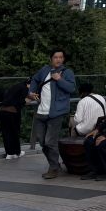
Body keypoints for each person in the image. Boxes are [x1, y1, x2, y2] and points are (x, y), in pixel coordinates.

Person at [28, 49, 77, 179]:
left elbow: (71, 88)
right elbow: (34, 80)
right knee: (42, 142)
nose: (58, 59)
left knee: (50, 141)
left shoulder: (67, 72)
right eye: (56, 57)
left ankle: (54, 168)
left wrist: (59, 79)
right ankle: (55, 164)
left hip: (56, 112)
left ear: (63, 59)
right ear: (51, 59)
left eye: (61, 57)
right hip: (41, 111)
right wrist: (31, 92)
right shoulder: (44, 70)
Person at [0, 78, 30, 159]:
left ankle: (9, 153)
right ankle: (17, 152)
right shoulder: (24, 88)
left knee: (6, 133)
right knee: (15, 132)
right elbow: (20, 101)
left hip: (2, 111)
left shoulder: (17, 86)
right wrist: (27, 101)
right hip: (12, 112)